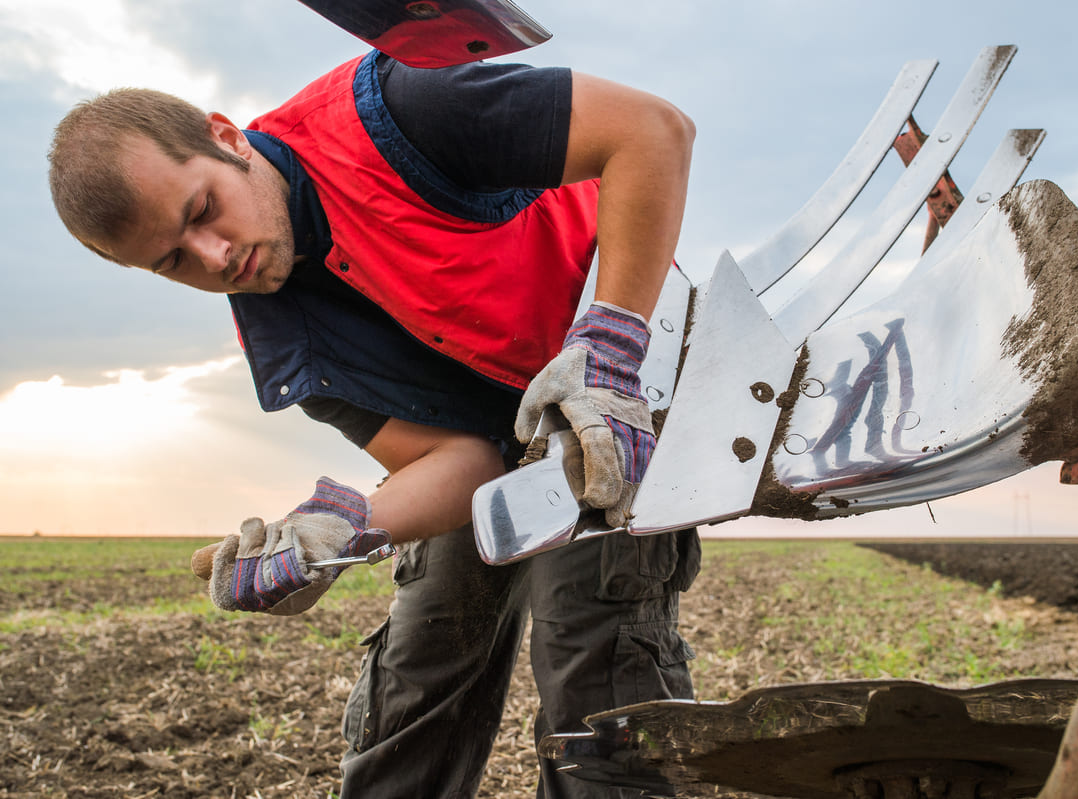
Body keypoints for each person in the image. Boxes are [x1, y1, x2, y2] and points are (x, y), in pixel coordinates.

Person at [48, 47, 700, 798]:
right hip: (496, 430)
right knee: (419, 669)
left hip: (611, 396)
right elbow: (466, 464)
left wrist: (612, 347)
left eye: (202, 211)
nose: (216, 257)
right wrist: (335, 530)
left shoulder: (401, 110)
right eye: (173, 262)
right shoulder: (283, 338)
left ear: (226, 136)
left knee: (595, 666)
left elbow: (653, 131)